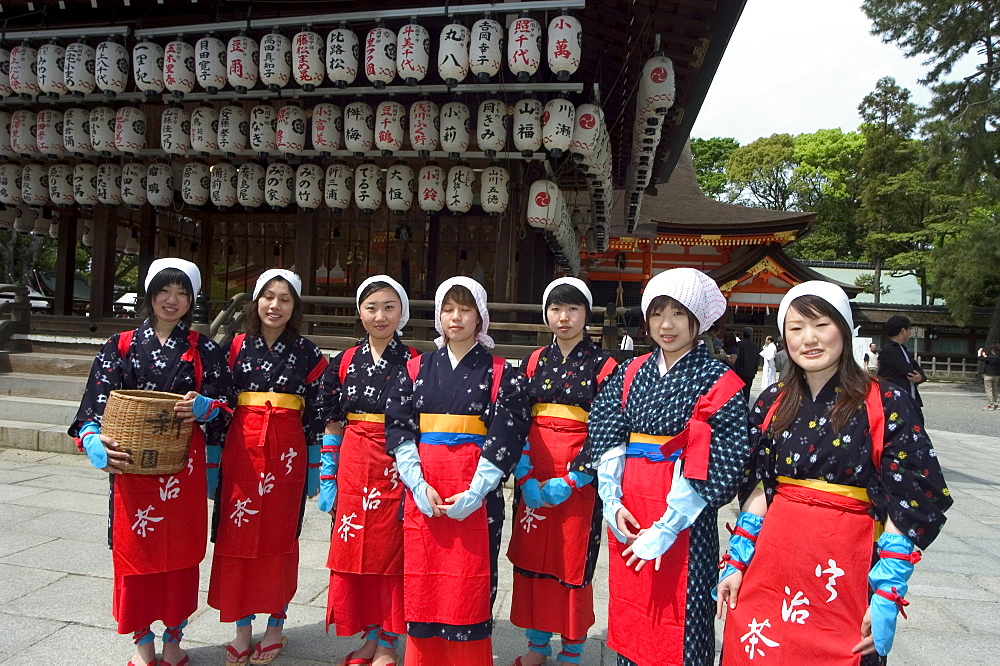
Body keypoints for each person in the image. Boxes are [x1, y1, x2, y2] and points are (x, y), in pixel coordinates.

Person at [717, 281, 952, 665]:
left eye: (821, 325)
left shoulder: (885, 401)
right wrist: (737, 562)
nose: (808, 338)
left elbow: (907, 500)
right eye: (795, 328)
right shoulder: (772, 401)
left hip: (846, 567)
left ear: (844, 329)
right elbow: (759, 487)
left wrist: (888, 593)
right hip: (774, 559)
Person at [580, 267, 751, 666]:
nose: (666, 325)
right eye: (657, 313)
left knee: (683, 611)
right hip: (632, 508)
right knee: (633, 608)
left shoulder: (718, 380)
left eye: (678, 313)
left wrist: (670, 524)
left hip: (685, 512)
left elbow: (723, 456)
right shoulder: (629, 373)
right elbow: (605, 432)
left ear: (699, 320)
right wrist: (611, 499)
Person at [70, 258, 232, 666]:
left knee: (179, 554)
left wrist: (206, 408)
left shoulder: (204, 348)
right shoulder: (119, 345)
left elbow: (228, 406)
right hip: (132, 465)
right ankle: (143, 645)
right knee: (135, 554)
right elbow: (95, 402)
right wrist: (91, 437)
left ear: (192, 300)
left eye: (182, 293)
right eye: (164, 290)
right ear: (150, 294)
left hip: (183, 468)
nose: (172, 300)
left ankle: (175, 640)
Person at [384, 277, 530, 665]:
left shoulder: (503, 373)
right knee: (423, 578)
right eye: (448, 308)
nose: (456, 317)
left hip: (476, 491)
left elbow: (508, 432)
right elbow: (399, 427)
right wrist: (416, 483)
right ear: (437, 315)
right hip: (424, 490)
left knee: (470, 582)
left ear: (480, 316)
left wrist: (477, 490)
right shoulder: (414, 369)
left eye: (466, 309)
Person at [208, 269, 329, 666]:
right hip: (241, 450)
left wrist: (315, 465)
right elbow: (219, 402)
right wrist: (212, 459)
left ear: (295, 307)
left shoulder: (310, 354)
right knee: (237, 534)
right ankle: (242, 629)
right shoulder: (233, 346)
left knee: (279, 536)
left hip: (287, 453)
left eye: (285, 299)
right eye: (268, 297)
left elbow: (317, 413)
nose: (275, 306)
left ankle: (276, 625)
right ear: (255, 302)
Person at [507, 278, 618, 666]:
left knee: (570, 564)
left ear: (586, 314)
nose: (564, 317)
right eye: (555, 309)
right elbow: (517, 417)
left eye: (572, 309)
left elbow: (608, 427)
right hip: (534, 475)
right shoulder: (534, 360)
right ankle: (537, 648)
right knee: (533, 561)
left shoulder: (605, 365)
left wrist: (576, 478)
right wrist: (523, 472)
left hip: (578, 482)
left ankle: (572, 651)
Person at [322, 276, 418, 666]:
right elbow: (331, 420)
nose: (380, 316)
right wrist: (328, 474)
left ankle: (389, 639)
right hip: (354, 459)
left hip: (395, 462)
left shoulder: (414, 362)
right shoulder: (343, 361)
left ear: (402, 313)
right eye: (371, 307)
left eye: (389, 307)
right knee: (353, 550)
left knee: (391, 552)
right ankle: (369, 634)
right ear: (359, 312)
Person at [877, 315, 927, 422]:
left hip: (909, 395)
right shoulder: (889, 350)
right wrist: (917, 375)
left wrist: (920, 377)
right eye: (909, 329)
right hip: (896, 398)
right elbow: (908, 370)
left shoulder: (902, 349)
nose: (910, 332)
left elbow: (917, 368)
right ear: (903, 330)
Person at [734, 326, 760, 400]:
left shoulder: (739, 344)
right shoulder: (755, 346)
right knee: (747, 391)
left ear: (743, 334)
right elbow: (756, 359)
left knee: (739, 391)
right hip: (750, 371)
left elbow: (738, 358)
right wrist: (755, 370)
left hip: (740, 371)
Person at [979, 343, 1000, 410]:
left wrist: (979, 353)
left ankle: (991, 405)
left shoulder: (990, 357)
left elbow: (980, 358)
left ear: (992, 350)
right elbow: (987, 359)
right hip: (996, 375)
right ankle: (997, 404)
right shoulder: (998, 357)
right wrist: (985, 356)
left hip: (988, 375)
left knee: (989, 390)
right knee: (995, 390)